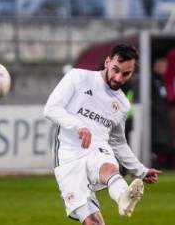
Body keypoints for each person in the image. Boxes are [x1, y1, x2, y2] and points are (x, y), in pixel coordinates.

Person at [44, 44, 162, 224]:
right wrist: (78, 125)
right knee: (92, 222)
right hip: (68, 156)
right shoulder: (78, 77)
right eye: (115, 70)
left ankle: (124, 196)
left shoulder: (122, 103)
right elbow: (51, 109)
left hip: (97, 150)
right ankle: (121, 195)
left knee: (109, 168)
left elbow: (119, 143)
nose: (118, 78)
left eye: (126, 74)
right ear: (107, 62)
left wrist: (141, 170)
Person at [151, 56, 172, 169]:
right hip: (155, 118)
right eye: (162, 66)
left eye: (165, 66)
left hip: (162, 118)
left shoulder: (160, 81)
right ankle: (156, 164)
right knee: (157, 142)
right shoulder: (152, 80)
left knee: (163, 143)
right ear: (156, 66)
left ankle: (161, 165)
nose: (164, 69)